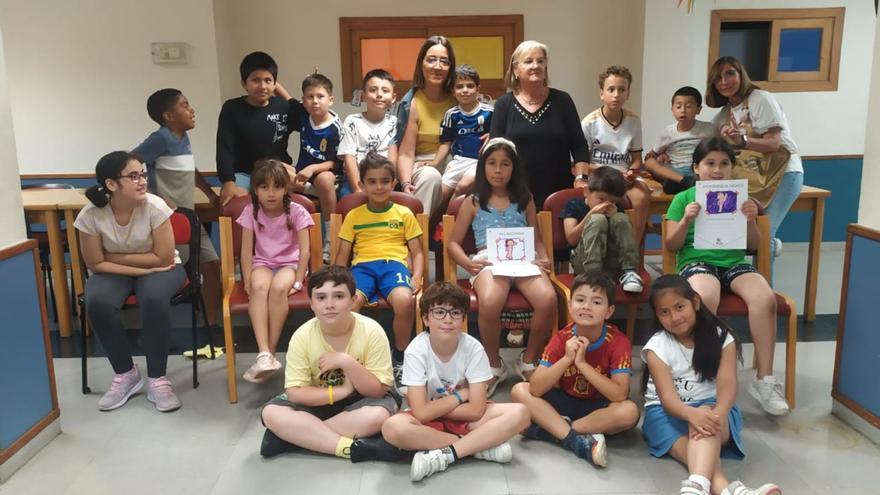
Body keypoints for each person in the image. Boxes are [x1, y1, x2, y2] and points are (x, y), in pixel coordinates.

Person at [665, 138, 790, 416]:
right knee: (705, 297)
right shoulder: (683, 198)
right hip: (696, 261)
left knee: (764, 298)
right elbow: (672, 245)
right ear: (696, 168)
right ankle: (703, 372)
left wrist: (749, 220)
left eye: (724, 164)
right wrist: (685, 220)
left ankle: (764, 380)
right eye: (710, 163)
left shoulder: (741, 198)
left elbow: (754, 246)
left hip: (733, 262)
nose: (717, 170)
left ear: (733, 168)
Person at [641, 274, 781, 495]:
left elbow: (727, 384)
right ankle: (730, 491)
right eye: (664, 312)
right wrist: (691, 414)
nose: (674, 317)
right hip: (664, 415)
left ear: (695, 303)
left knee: (705, 417)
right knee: (699, 456)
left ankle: (695, 488)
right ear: (657, 315)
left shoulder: (722, 337)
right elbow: (667, 398)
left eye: (680, 307)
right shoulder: (656, 347)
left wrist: (718, 414)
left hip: (716, 413)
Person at [381, 282, 530, 481]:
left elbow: (476, 410)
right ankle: (478, 447)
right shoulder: (416, 350)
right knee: (392, 428)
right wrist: (461, 395)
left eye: (455, 313)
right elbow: (421, 414)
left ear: (463, 319)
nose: (448, 319)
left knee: (521, 412)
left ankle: (447, 453)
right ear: (426, 318)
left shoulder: (473, 348)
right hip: (430, 421)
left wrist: (432, 407)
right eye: (440, 312)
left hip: (466, 418)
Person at [74, 151, 185, 412]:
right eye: (133, 176)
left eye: (143, 174)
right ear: (111, 184)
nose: (142, 181)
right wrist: (140, 269)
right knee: (98, 300)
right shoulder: (89, 215)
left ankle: (157, 378)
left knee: (154, 298)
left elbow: (164, 256)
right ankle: (126, 373)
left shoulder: (155, 206)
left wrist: (115, 256)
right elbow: (95, 264)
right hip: (117, 271)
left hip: (164, 269)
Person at [447, 137, 557, 396]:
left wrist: (543, 258)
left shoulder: (525, 198)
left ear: (514, 167)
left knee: (548, 298)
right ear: (482, 167)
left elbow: (537, 238)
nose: (498, 170)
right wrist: (468, 262)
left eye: (505, 164)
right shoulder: (473, 201)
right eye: (492, 164)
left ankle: (528, 360)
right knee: (491, 300)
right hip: (489, 258)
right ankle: (493, 365)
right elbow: (453, 244)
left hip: (524, 258)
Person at [259, 266, 398, 460]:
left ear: (353, 301)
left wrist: (346, 361)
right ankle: (346, 447)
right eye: (321, 297)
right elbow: (295, 393)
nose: (329, 304)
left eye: (339, 296)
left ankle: (292, 437)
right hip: (318, 400)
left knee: (379, 416)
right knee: (271, 413)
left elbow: (378, 391)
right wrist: (340, 392)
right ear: (311, 304)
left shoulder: (372, 331)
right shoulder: (302, 336)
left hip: (361, 400)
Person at [511, 271, 639, 467]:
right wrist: (567, 359)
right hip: (566, 400)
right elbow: (535, 388)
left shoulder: (619, 342)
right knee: (519, 390)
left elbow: (620, 394)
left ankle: (552, 431)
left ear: (609, 311)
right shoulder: (561, 337)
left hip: (600, 405)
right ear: (570, 306)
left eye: (596, 302)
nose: (587, 307)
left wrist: (582, 365)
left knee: (629, 412)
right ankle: (575, 440)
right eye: (580, 300)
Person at [132, 88, 222, 333]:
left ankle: (211, 326)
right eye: (185, 105)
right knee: (171, 273)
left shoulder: (183, 138)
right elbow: (129, 163)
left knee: (212, 266)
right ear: (169, 115)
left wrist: (211, 194)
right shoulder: (160, 138)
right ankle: (156, 329)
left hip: (188, 218)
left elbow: (189, 170)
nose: (192, 110)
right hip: (168, 224)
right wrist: (156, 199)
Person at [334, 152, 424, 392]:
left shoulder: (404, 214)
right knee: (348, 304)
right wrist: (337, 283)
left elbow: (418, 253)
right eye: (372, 182)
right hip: (362, 266)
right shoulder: (354, 216)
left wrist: (417, 276)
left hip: (393, 265)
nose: (379, 186)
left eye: (385, 181)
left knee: (404, 301)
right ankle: (353, 360)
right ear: (362, 185)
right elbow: (342, 254)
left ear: (394, 183)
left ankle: (400, 358)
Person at [706, 56, 803, 260]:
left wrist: (742, 140)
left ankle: (766, 289)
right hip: (751, 175)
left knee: (765, 231)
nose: (724, 81)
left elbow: (774, 143)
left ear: (741, 74)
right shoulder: (726, 111)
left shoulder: (761, 98)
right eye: (718, 78)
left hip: (783, 172)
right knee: (738, 229)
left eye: (730, 73)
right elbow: (704, 134)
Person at [236, 160, 313, 383]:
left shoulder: (297, 211)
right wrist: (248, 279)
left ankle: (269, 351)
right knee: (260, 287)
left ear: (286, 188)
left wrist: (299, 280)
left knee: (279, 288)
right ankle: (264, 354)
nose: (271, 193)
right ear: (255, 189)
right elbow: (245, 252)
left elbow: (305, 250)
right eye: (264, 187)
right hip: (263, 263)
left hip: (290, 264)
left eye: (277, 187)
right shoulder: (251, 211)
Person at [490, 40, 589, 208]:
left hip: (559, 192)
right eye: (528, 61)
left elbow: (579, 146)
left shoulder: (563, 100)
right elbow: (495, 152)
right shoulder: (503, 105)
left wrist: (581, 179)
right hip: (515, 193)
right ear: (515, 70)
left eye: (541, 61)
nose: (535, 65)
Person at [581, 65, 650, 244]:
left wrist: (632, 173)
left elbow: (636, 160)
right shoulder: (589, 123)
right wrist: (611, 175)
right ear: (601, 93)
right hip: (598, 176)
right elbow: (581, 163)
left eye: (622, 90)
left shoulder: (633, 121)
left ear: (628, 93)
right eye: (611, 89)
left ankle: (631, 249)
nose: (616, 94)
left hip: (624, 178)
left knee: (642, 196)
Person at [216, 51, 296, 206]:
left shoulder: (283, 107)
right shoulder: (232, 108)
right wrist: (228, 182)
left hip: (278, 171)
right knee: (235, 201)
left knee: (297, 199)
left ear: (275, 84)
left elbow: (307, 119)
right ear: (244, 83)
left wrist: (285, 95)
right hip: (244, 174)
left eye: (268, 80)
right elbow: (224, 148)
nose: (262, 86)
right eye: (255, 80)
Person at [396, 36, 457, 217]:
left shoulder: (459, 99)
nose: (437, 66)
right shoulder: (412, 103)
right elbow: (406, 153)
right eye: (431, 60)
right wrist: (406, 183)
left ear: (450, 67)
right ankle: (416, 237)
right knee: (431, 176)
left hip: (453, 162)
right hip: (421, 163)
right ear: (421, 64)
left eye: (444, 61)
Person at [561, 167, 643, 292]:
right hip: (583, 262)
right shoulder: (573, 205)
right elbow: (571, 239)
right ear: (586, 192)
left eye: (613, 201)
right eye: (601, 199)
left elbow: (624, 236)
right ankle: (593, 276)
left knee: (620, 218)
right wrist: (591, 214)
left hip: (611, 260)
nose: (607, 204)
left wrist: (615, 216)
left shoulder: (617, 207)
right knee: (597, 220)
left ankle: (629, 271)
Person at [288, 73, 343, 258]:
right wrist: (274, 81)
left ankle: (330, 240)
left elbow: (334, 163)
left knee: (325, 179)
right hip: (302, 174)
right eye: (310, 97)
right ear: (303, 100)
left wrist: (312, 168)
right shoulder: (304, 115)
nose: (315, 101)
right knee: (273, 169)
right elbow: (287, 98)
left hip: (325, 174)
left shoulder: (335, 128)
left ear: (331, 100)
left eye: (320, 96)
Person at [435, 64, 493, 204]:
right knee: (440, 194)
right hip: (459, 161)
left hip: (480, 162)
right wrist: (434, 163)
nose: (465, 90)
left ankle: (448, 222)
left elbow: (499, 134)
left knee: (462, 186)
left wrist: (492, 135)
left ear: (478, 88)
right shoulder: (451, 114)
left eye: (470, 86)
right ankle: (434, 223)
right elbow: (446, 143)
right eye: (460, 86)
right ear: (453, 91)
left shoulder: (490, 112)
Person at [644, 86, 716, 195]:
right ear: (672, 110)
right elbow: (650, 155)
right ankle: (683, 182)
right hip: (674, 172)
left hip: (697, 171)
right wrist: (659, 156)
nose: (683, 110)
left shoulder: (708, 129)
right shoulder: (667, 132)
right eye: (678, 106)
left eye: (688, 106)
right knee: (649, 162)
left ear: (698, 109)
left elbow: (719, 149)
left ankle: (681, 184)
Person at [337, 69, 399, 196]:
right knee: (349, 203)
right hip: (357, 179)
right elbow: (349, 157)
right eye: (373, 90)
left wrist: (388, 187)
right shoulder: (352, 121)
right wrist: (358, 189)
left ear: (393, 98)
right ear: (363, 96)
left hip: (385, 180)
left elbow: (393, 159)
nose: (379, 94)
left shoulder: (395, 123)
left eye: (385, 91)